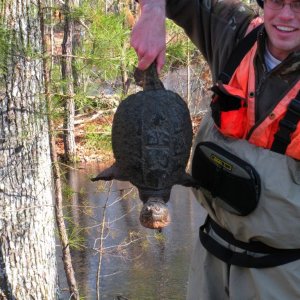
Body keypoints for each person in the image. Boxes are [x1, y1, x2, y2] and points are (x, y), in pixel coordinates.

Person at [131, 0, 300, 299]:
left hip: (284, 273)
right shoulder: (236, 34)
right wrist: (154, 10)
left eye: (299, 5)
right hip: (210, 257)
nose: (286, 15)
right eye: (278, 1)